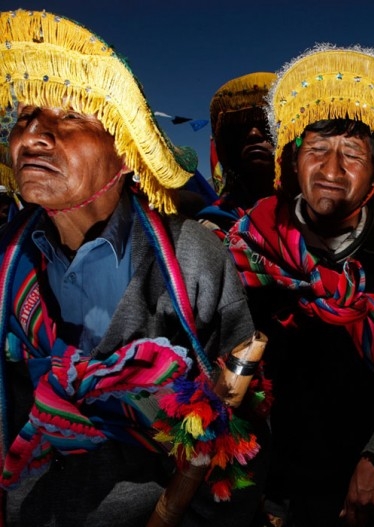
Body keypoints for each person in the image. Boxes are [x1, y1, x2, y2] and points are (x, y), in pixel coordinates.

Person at [0, 9, 267, 526]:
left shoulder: (194, 259)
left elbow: (238, 425)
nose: (32, 136)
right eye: (25, 119)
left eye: (69, 118)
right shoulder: (6, 262)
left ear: (126, 152)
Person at [225, 44, 374, 527]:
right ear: (293, 159)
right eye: (317, 149)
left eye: (353, 154)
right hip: (264, 489)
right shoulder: (246, 246)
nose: (330, 170)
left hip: (369, 491)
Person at [198, 72, 277, 236]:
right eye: (241, 128)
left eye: (267, 125)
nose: (254, 134)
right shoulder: (212, 226)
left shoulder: (323, 210)